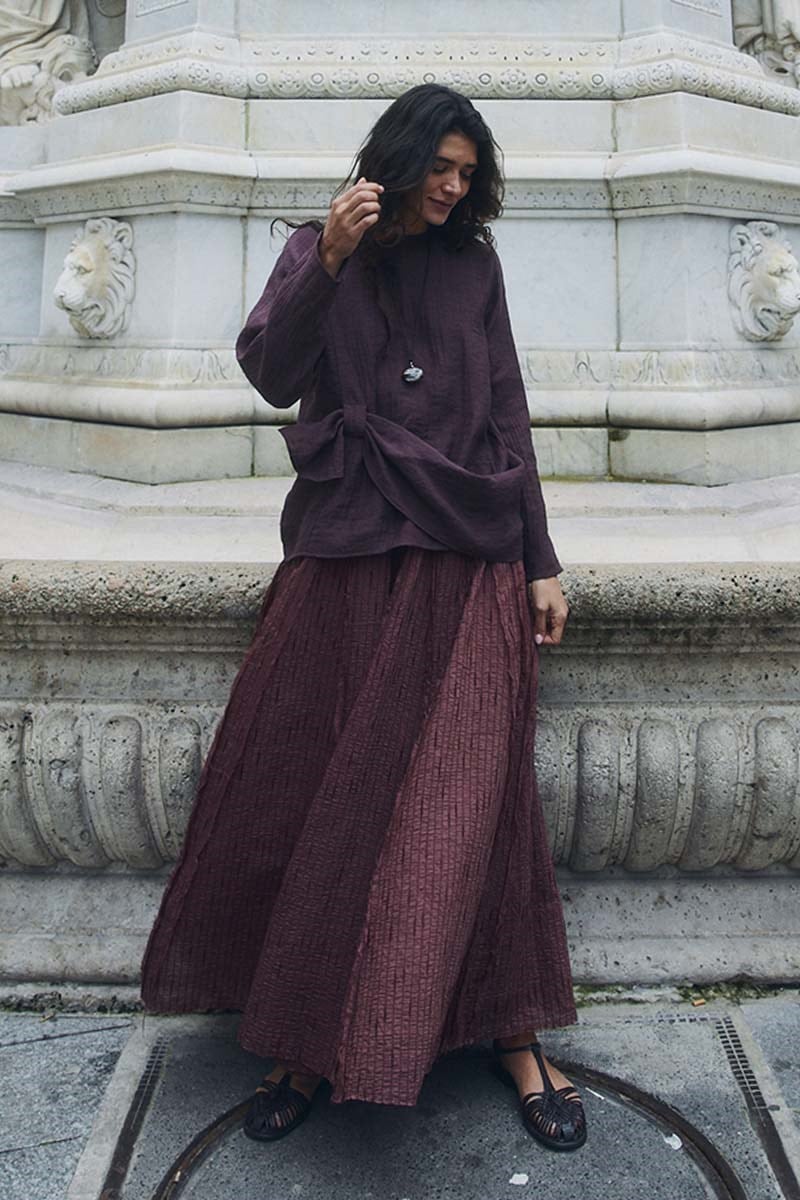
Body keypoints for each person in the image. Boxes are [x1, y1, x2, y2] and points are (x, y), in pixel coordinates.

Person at [139, 82, 586, 1155]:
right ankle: (303, 1040)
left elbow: (507, 411)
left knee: (477, 801)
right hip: (345, 548)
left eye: (467, 173)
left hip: (465, 550)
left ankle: (513, 1035)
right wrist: (330, 261)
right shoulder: (317, 248)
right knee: (319, 788)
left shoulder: (475, 266)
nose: (453, 187)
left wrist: (539, 560)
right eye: (439, 167)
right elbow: (267, 372)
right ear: (394, 159)